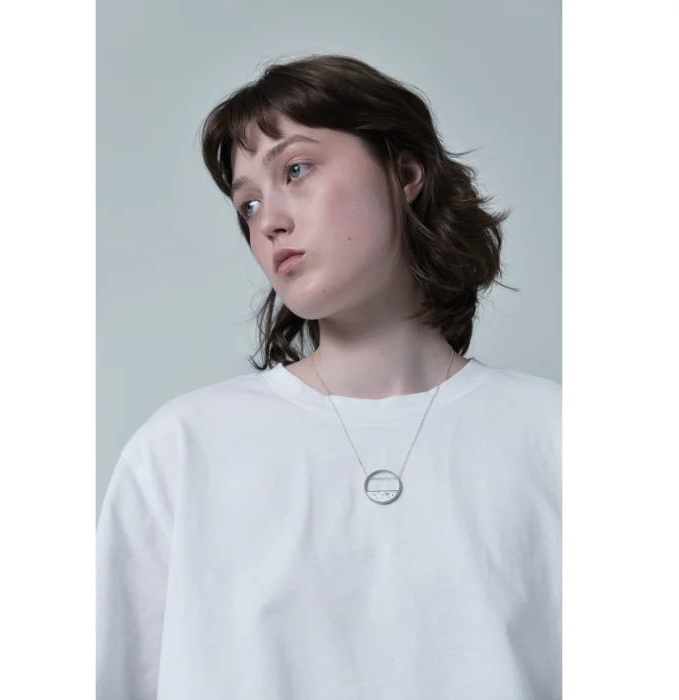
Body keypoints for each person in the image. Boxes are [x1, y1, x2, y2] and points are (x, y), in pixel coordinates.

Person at [96, 54, 561, 699]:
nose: (268, 221)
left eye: (296, 169)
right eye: (248, 203)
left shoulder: (555, 437)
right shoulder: (182, 450)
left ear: (404, 173)